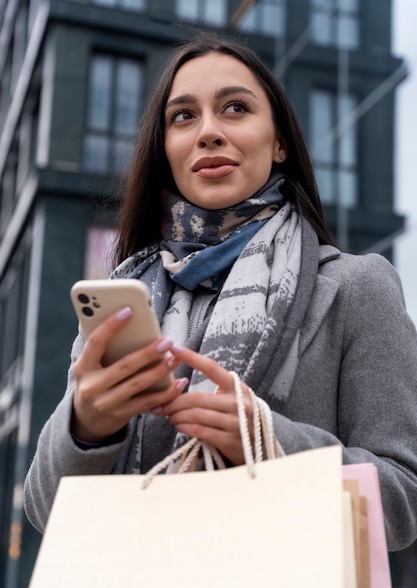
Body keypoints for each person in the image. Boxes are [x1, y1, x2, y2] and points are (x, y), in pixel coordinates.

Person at [24, 35, 417, 552]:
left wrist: (269, 442)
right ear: (166, 150)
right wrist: (86, 427)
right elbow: (43, 510)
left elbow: (403, 502)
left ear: (279, 142)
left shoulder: (356, 286)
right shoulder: (126, 296)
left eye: (235, 108)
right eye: (183, 117)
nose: (208, 131)